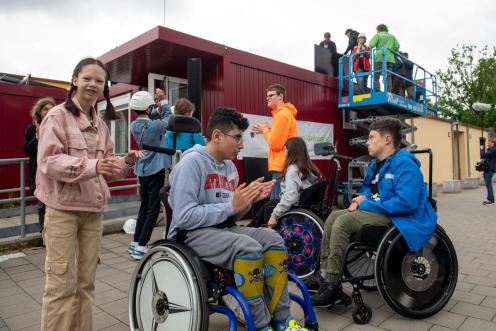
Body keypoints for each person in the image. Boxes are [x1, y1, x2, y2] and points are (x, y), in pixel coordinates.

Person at [167, 107, 310, 331]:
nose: (241, 144)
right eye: (237, 137)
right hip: (192, 234)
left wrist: (247, 202)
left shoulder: (230, 168)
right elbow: (184, 217)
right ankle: (262, 326)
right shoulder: (191, 164)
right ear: (216, 136)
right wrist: (231, 205)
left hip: (223, 229)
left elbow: (230, 214)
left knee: (273, 238)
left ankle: (282, 321)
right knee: (248, 247)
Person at [35, 58, 143, 330]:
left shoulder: (102, 125)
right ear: (74, 81)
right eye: (87, 78)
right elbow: (48, 161)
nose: (93, 85)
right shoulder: (56, 117)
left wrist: (127, 162)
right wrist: (92, 165)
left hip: (92, 212)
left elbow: (107, 168)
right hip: (62, 211)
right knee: (61, 286)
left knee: (86, 285)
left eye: (99, 81)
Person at [309, 118, 437, 308]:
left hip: (401, 218)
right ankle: (325, 273)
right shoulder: (375, 165)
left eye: (371, 137)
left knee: (343, 221)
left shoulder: (405, 165)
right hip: (383, 211)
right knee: (333, 216)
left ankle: (333, 284)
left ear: (387, 139)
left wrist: (367, 204)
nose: (367, 142)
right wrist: (361, 198)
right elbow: (369, 190)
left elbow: (405, 203)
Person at [128, 90, 172, 259]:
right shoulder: (155, 126)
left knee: (144, 207)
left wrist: (155, 103)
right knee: (153, 208)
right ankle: (141, 246)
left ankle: (135, 242)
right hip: (155, 168)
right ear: (147, 108)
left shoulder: (134, 125)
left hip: (142, 169)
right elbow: (167, 118)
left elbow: (153, 116)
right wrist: (164, 101)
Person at [248, 137, 321, 228]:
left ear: (291, 151)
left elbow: (291, 196)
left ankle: (250, 229)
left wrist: (274, 215)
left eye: (285, 149)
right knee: (271, 204)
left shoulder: (293, 170)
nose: (284, 152)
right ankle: (251, 227)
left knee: (269, 205)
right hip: (306, 206)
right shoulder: (310, 168)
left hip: (294, 208)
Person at [252, 84, 298, 200]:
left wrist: (265, 130)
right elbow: (281, 138)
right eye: (267, 96)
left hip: (281, 167)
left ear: (280, 97)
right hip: (283, 166)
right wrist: (267, 130)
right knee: (278, 206)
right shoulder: (283, 114)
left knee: (274, 207)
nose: (267, 98)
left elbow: (275, 144)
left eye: (271, 95)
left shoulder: (282, 114)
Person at [23, 97, 56, 246]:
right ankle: (44, 236)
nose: (49, 112)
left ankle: (56, 235)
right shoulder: (31, 129)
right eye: (45, 109)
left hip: (55, 173)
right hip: (38, 173)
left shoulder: (58, 127)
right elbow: (27, 150)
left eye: (51, 109)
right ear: (39, 112)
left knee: (56, 206)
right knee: (42, 206)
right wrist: (37, 135)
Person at [368, 24, 400, 92]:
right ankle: (388, 91)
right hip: (390, 59)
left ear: (378, 29)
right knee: (388, 76)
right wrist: (390, 50)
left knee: (376, 76)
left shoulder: (378, 35)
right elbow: (397, 46)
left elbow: (371, 45)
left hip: (380, 57)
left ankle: (377, 90)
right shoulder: (392, 36)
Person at [480, 137, 496, 205]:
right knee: (488, 184)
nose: (487, 143)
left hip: (490, 169)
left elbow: (483, 155)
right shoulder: (491, 149)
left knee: (488, 184)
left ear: (492, 143)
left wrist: (481, 149)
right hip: (487, 169)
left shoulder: (494, 150)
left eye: (489, 141)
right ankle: (490, 199)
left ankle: (491, 200)